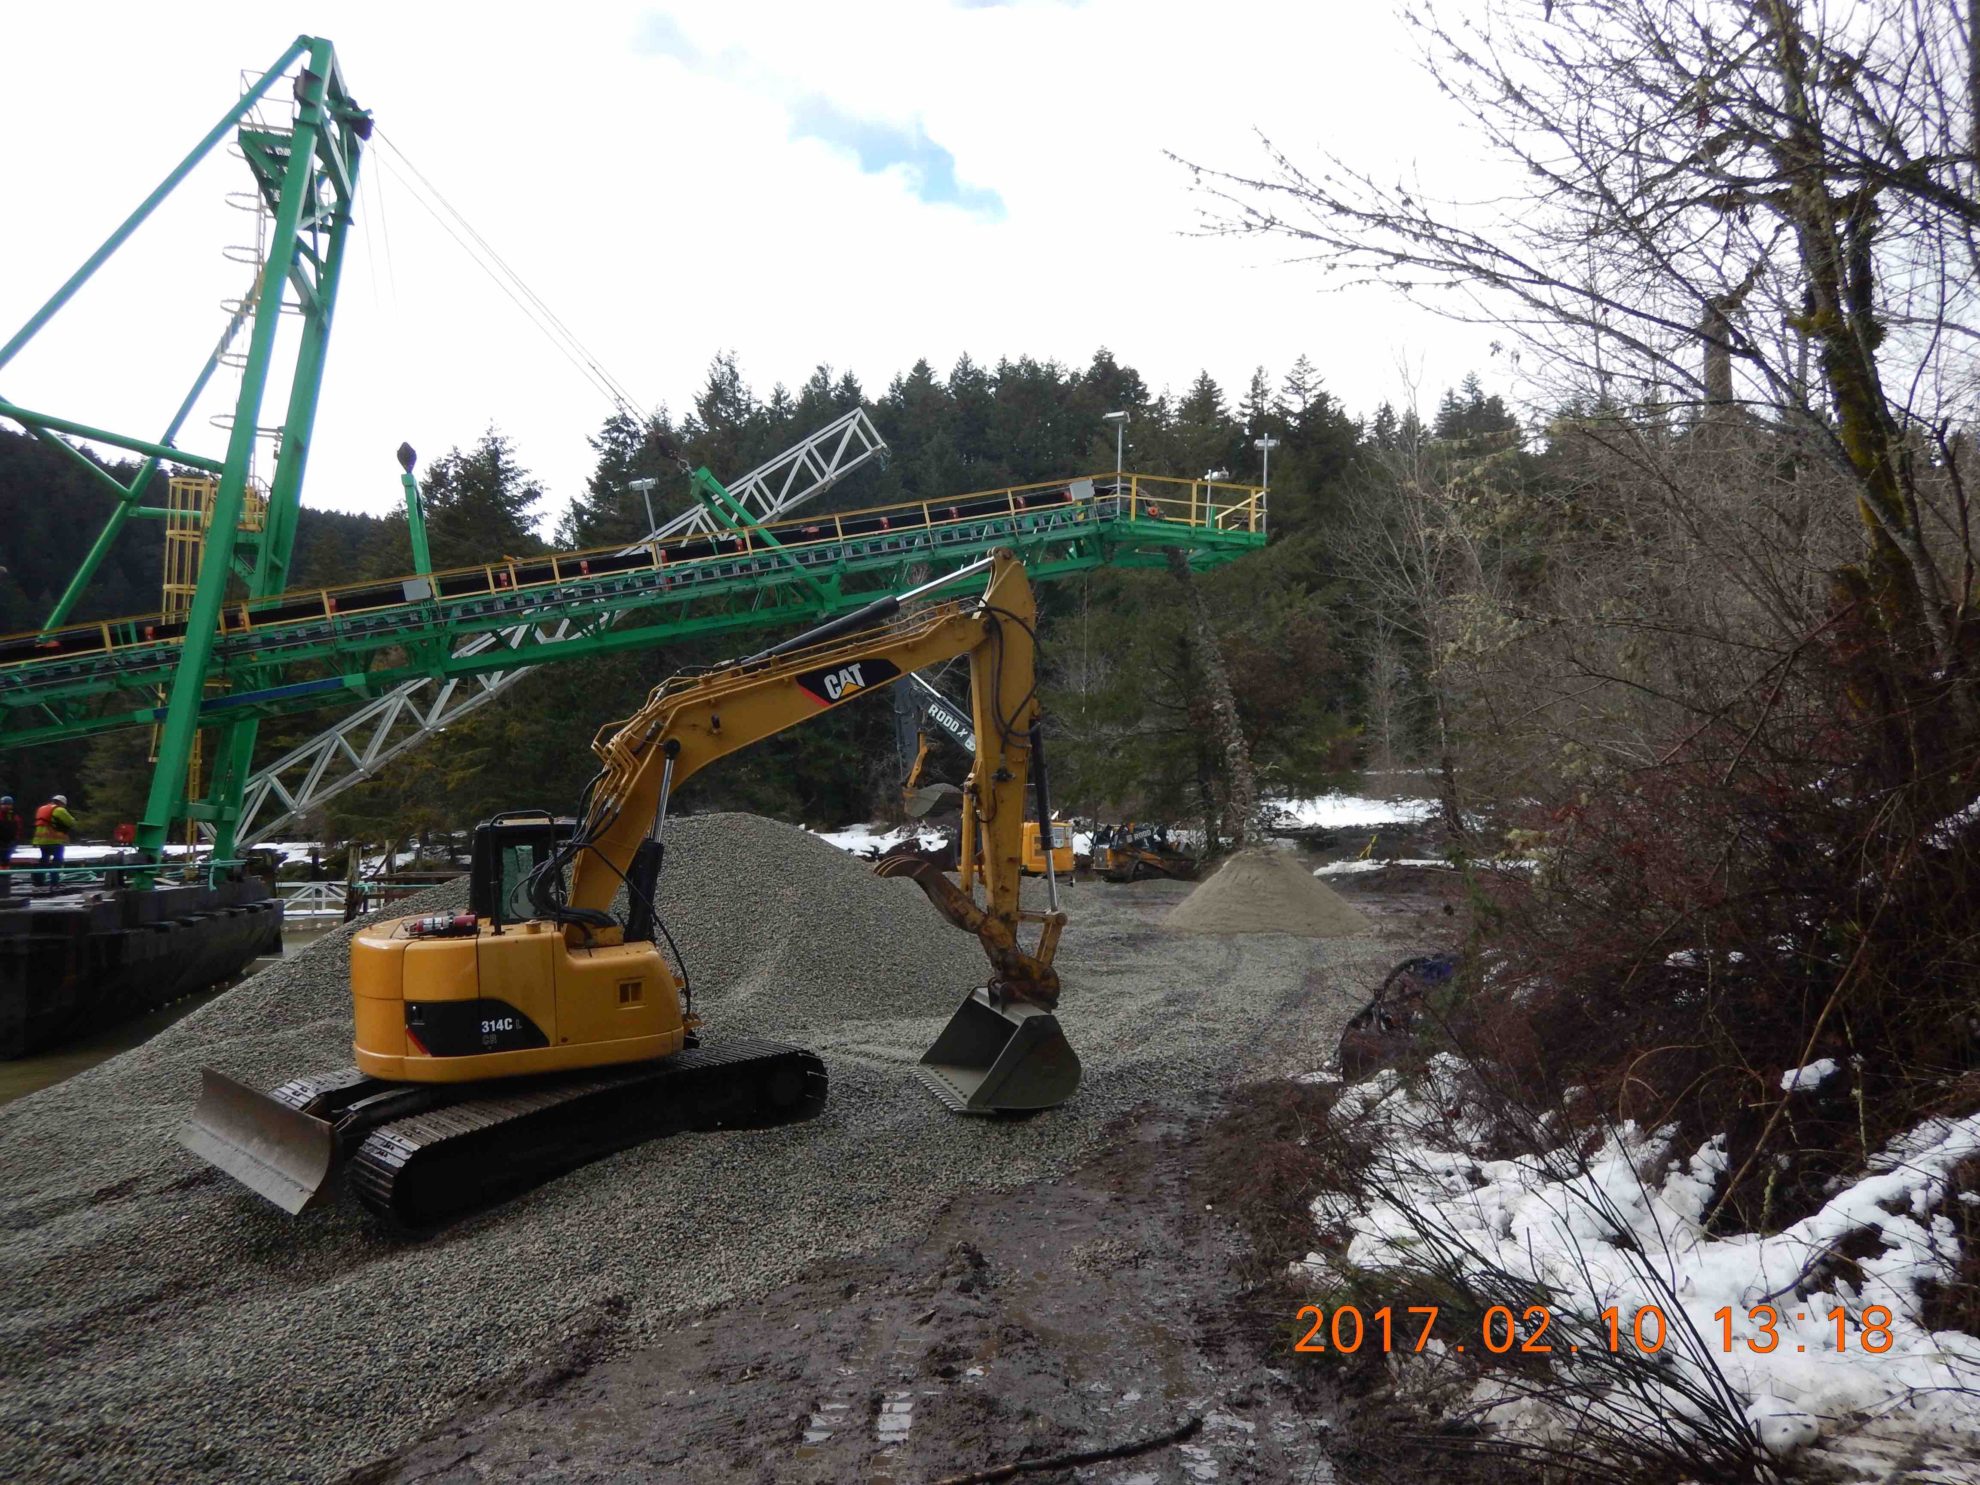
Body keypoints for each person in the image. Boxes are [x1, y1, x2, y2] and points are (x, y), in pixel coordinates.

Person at [32, 794, 76, 890]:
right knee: (57, 862)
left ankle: (39, 882)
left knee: (43, 861)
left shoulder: (41, 809)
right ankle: (54, 883)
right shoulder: (59, 810)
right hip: (55, 840)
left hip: (41, 841)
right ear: (62, 803)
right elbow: (71, 822)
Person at [0, 795, 16, 897]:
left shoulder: (12, 816)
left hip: (8, 844)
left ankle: (4, 883)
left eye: (8, 804)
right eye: (4, 804)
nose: (6, 806)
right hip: (2, 843)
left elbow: (16, 829)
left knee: (5, 863)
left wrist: (14, 841)